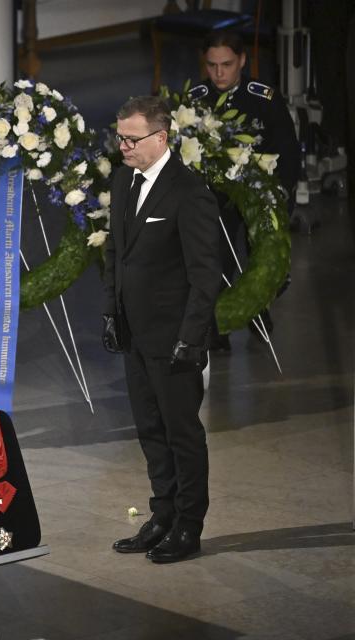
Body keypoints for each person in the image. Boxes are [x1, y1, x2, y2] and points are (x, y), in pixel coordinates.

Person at [103, 96, 222, 563]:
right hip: (135, 333)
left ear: (161, 137)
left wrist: (191, 338)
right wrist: (111, 312)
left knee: (182, 433)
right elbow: (116, 251)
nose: (124, 146)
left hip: (175, 338)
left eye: (132, 139)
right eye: (120, 137)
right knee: (151, 431)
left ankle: (189, 525)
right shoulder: (122, 181)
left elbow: (204, 273)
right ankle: (163, 515)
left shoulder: (189, 192)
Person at [189, 29, 300, 348]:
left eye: (226, 64)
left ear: (242, 60)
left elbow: (288, 152)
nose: (219, 73)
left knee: (261, 255)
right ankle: (218, 324)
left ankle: (257, 310)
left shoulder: (262, 97)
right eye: (212, 65)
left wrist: (282, 195)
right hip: (217, 193)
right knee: (215, 255)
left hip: (259, 191)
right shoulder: (197, 99)